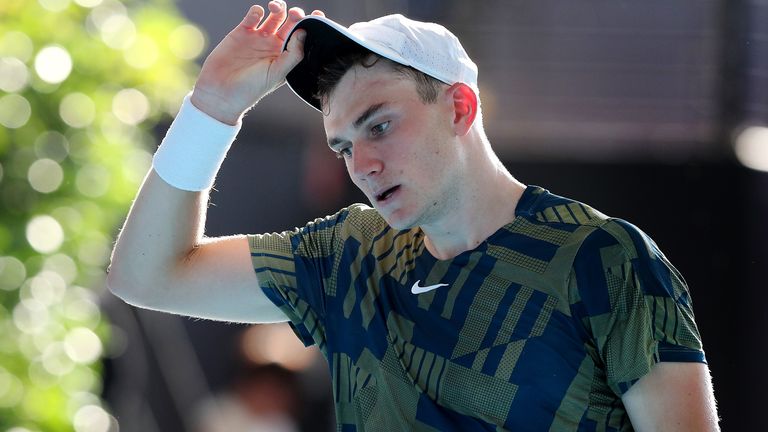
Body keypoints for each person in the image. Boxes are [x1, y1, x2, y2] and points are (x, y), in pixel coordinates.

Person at [107, 1, 720, 430]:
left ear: (459, 105)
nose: (362, 165)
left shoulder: (604, 257)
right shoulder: (348, 255)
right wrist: (211, 108)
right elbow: (144, 276)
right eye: (343, 145)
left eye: (379, 126)